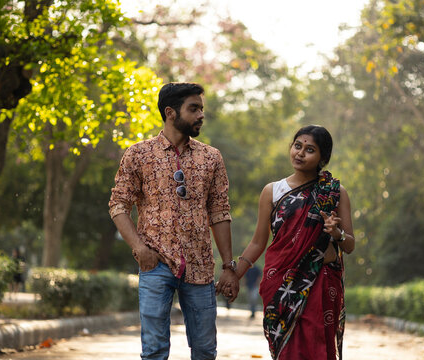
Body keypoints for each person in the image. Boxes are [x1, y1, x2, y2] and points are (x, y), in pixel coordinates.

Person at [109, 82, 239, 360]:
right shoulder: (139, 154)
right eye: (193, 109)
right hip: (155, 263)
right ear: (170, 112)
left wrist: (228, 266)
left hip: (200, 266)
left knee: (205, 350)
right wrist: (139, 249)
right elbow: (119, 205)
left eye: (201, 109)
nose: (200, 115)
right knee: (154, 350)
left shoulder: (211, 158)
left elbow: (220, 212)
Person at [227, 125, 355, 359]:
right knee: (288, 351)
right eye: (297, 146)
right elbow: (258, 242)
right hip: (281, 282)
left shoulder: (334, 192)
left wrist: (336, 233)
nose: (300, 153)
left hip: (321, 280)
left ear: (322, 158)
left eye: (310, 150)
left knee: (318, 348)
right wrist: (235, 274)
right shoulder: (272, 191)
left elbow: (349, 244)